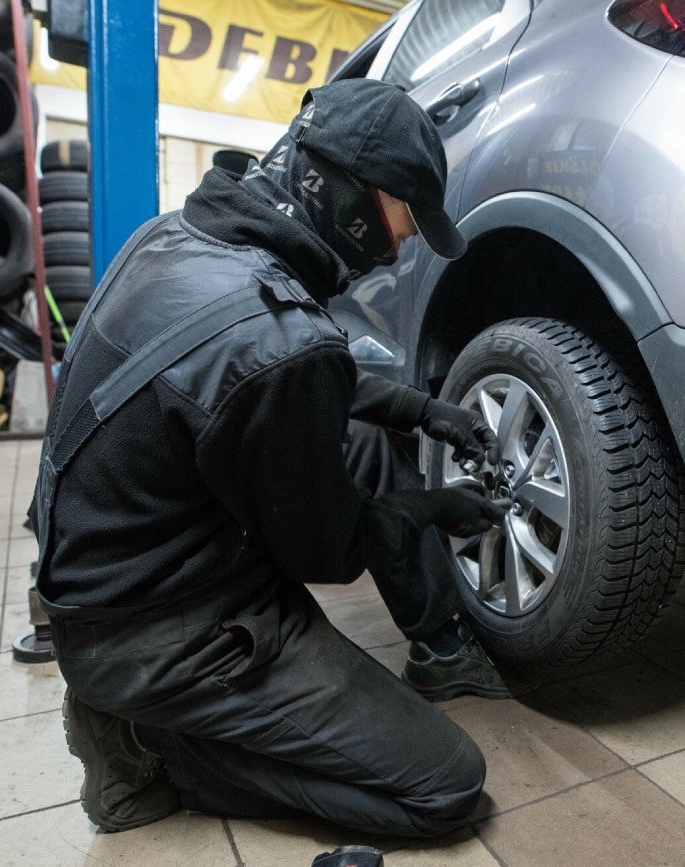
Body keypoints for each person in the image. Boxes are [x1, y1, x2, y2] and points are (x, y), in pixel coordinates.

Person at [32, 79, 514, 839]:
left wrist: (426, 411)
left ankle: (439, 648)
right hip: (158, 632)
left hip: (108, 576)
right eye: (406, 213)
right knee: (446, 786)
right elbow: (327, 551)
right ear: (355, 199)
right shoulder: (280, 341)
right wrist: (431, 508)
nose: (411, 238)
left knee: (354, 441)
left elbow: (275, 384)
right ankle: (151, 748)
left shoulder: (177, 238)